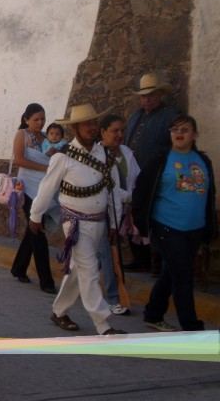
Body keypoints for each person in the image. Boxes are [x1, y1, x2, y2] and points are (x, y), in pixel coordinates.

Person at [30, 103, 126, 336]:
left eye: (94, 123)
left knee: (77, 271)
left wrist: (114, 224)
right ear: (75, 128)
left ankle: (59, 311)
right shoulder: (63, 156)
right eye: (86, 124)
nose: (91, 127)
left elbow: (113, 192)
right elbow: (47, 188)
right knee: (90, 269)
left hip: (99, 222)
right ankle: (103, 324)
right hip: (74, 223)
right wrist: (35, 216)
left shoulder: (105, 155)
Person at [133, 114, 217, 332]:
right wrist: (141, 221)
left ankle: (153, 314)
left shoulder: (203, 161)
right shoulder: (161, 159)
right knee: (183, 276)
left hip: (194, 229)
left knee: (171, 273)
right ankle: (192, 328)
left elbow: (209, 194)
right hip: (167, 227)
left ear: (194, 134)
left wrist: (209, 226)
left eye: (184, 130)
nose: (179, 134)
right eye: (175, 130)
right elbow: (141, 189)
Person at [124, 73, 180, 274]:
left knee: (156, 219)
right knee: (133, 217)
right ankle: (141, 259)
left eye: (151, 95)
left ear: (159, 95)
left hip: (156, 177)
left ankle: (158, 263)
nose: (147, 99)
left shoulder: (171, 115)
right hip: (133, 177)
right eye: (143, 96)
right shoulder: (136, 116)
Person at [10, 104, 57, 294]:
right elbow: (19, 159)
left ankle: (18, 268)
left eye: (42, 118)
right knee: (38, 230)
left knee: (33, 229)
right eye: (36, 119)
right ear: (26, 119)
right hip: (27, 188)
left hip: (44, 189)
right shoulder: (22, 135)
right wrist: (44, 168)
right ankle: (46, 281)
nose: (40, 122)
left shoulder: (47, 137)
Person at [97, 114, 140, 316]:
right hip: (102, 211)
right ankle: (114, 298)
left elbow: (136, 177)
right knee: (108, 253)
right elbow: (107, 187)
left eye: (122, 131)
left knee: (97, 255)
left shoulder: (126, 152)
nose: (120, 135)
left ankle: (79, 286)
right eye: (115, 131)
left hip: (120, 210)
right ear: (103, 132)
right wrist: (128, 197)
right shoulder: (97, 156)